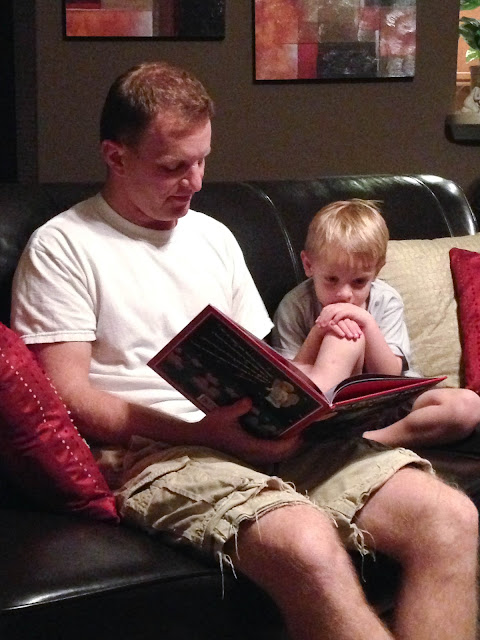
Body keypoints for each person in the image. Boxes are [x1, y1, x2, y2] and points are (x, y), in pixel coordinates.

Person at [11, 62, 478, 640]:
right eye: (173, 166)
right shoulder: (62, 247)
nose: (194, 182)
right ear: (115, 156)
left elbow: (261, 364)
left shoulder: (214, 236)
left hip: (259, 439)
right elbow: (70, 396)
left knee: (450, 518)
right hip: (158, 453)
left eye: (202, 160)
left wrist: (318, 401)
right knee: (306, 544)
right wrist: (204, 432)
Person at [272, 199, 480, 448]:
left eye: (359, 282)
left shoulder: (386, 300)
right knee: (345, 336)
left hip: (389, 405)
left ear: (377, 270)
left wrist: (368, 324)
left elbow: (390, 374)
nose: (345, 294)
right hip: (330, 413)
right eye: (331, 279)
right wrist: (319, 331)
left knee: (468, 405)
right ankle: (334, 441)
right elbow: (290, 382)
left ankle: (366, 442)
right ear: (309, 265)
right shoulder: (294, 306)